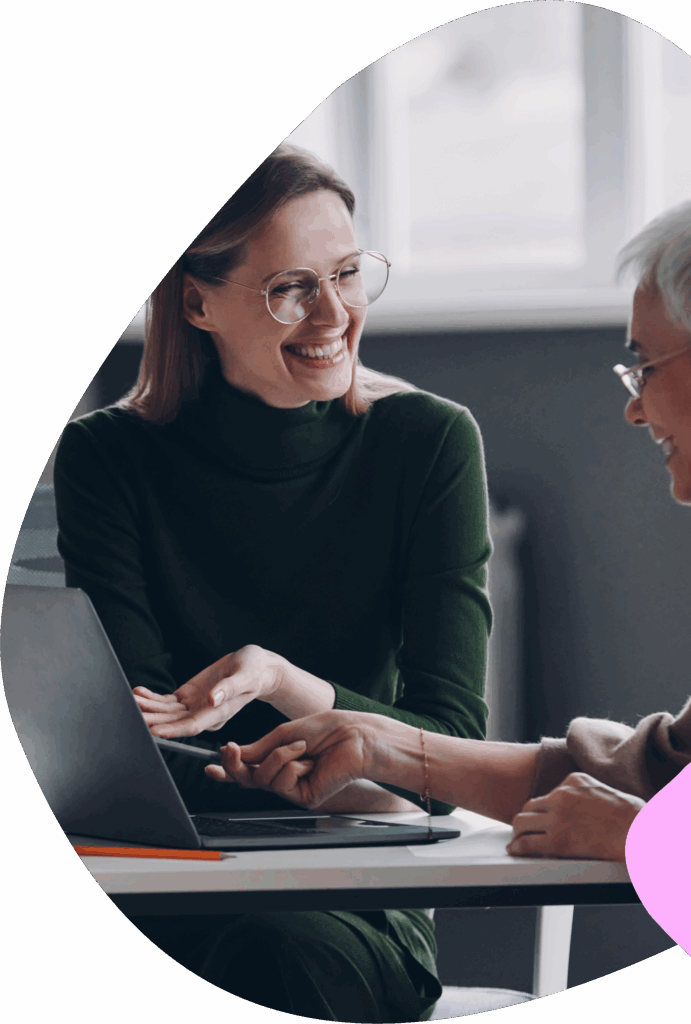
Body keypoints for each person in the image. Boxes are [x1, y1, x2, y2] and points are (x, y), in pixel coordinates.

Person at [196, 184, 691, 863]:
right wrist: (382, 743)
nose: (633, 406)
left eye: (646, 367)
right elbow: (667, 767)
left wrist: (642, 836)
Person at [53, 145, 493, 1022]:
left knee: (269, 956)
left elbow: (449, 756)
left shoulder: (429, 445)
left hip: (351, 902)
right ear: (196, 300)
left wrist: (283, 682)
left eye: (347, 274)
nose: (334, 313)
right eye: (291, 286)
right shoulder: (107, 457)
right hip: (169, 887)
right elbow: (134, 750)